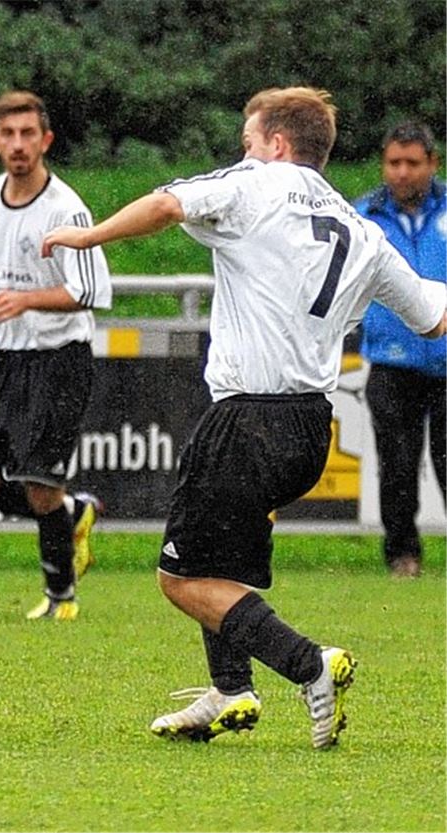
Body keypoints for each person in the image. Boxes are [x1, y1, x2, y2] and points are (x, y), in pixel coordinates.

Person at [42, 87, 447, 749]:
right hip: (312, 429)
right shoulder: (362, 227)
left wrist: (90, 235)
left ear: (277, 144)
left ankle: (309, 664)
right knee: (218, 563)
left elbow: (170, 203)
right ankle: (230, 688)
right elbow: (434, 316)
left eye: (249, 138)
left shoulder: (257, 183)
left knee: (180, 578)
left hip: (247, 420)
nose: (244, 150)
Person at [0, 90, 109, 622]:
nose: (18, 145)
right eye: (8, 135)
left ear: (45, 141)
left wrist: (27, 299)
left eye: (28, 134)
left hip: (59, 354)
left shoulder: (66, 208)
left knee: (41, 487)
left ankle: (61, 596)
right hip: (3, 355)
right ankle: (74, 513)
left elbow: (90, 289)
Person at [355, 121, 445, 578]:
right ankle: (402, 555)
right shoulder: (363, 215)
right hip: (392, 361)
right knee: (397, 465)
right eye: (394, 163)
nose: (403, 172)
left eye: (413, 162)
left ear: (434, 163)